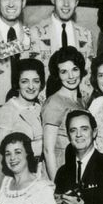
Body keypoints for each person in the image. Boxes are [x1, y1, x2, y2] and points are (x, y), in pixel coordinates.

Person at [27, 0, 97, 82]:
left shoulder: (86, 35)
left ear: (77, 2)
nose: (66, 4)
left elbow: (89, 74)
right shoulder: (34, 33)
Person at [41, 46, 89, 179]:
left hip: (78, 167)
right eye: (64, 72)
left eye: (75, 69)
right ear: (58, 75)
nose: (71, 76)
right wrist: (57, 186)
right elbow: (48, 150)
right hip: (59, 170)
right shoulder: (54, 103)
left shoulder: (81, 102)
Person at [0, 58, 47, 163]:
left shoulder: (40, 108)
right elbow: (1, 152)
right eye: (25, 81)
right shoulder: (8, 110)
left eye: (36, 81)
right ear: (17, 83)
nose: (31, 86)